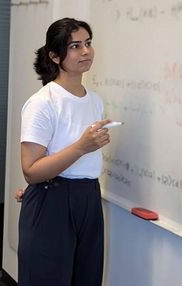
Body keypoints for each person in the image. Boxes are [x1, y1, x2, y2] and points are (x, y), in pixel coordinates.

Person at [18, 18, 113, 286]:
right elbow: (31, 171)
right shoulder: (42, 103)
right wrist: (82, 146)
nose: (85, 51)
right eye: (75, 46)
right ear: (55, 55)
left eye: (88, 43)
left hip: (88, 198)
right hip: (52, 202)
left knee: (87, 278)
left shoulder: (95, 101)